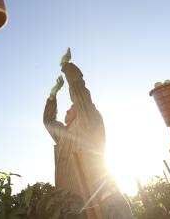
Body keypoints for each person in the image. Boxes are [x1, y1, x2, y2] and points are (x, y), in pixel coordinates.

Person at [43, 48, 133, 219]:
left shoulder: (88, 120)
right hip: (74, 205)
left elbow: (80, 92)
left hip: (104, 202)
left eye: (71, 107)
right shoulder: (63, 134)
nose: (67, 110)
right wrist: (52, 96)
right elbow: (48, 122)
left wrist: (67, 67)